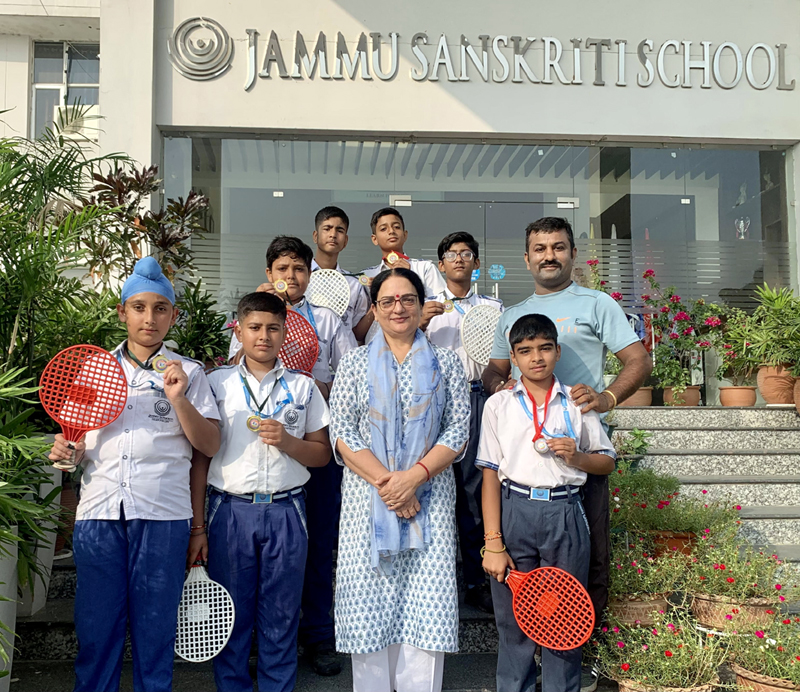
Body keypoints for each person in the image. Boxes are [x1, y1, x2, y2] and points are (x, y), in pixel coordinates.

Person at [482, 217, 652, 692]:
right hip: (521, 475)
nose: (549, 255)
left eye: (558, 247)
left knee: (583, 574)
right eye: (540, 248)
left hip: (580, 459)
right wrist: (509, 395)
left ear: (572, 253)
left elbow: (637, 360)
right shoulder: (512, 313)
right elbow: (493, 374)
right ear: (527, 257)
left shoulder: (597, 303)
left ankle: (573, 666)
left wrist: (607, 398)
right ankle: (523, 675)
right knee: (519, 601)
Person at [48, 257, 220, 692]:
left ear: (174, 315)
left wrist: (178, 399)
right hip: (99, 512)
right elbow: (77, 445)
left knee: (155, 629)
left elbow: (210, 445)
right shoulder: (92, 370)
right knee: (96, 628)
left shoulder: (192, 373)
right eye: (139, 307)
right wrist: (66, 451)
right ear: (123, 312)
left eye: (160, 308)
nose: (149, 318)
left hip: (163, 514)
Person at [328, 267, 470, 692]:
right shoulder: (353, 363)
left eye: (408, 299)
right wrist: (393, 485)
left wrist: (414, 478)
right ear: (374, 309)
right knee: (370, 607)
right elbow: (342, 432)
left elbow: (457, 429)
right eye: (387, 301)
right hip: (368, 501)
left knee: (423, 616)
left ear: (421, 304)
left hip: (430, 500)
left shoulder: (446, 363)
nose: (398, 308)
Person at [478, 313, 616, 692]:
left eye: (544, 348)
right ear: (513, 356)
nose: (535, 358)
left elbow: (605, 460)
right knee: (513, 623)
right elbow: (489, 474)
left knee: (565, 622)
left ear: (557, 351)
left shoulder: (576, 401)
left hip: (565, 512)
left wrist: (578, 458)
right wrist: (493, 542)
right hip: (515, 511)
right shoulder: (499, 405)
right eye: (525, 351)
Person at [203, 291, 332, 692]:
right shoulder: (214, 383)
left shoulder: (303, 387)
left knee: (281, 612)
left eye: (273, 328)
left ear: (285, 333)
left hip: (286, 510)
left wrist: (289, 442)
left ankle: (279, 686)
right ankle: (233, 686)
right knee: (231, 613)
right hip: (229, 510)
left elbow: (321, 455)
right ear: (238, 331)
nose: (264, 336)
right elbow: (198, 453)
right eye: (255, 328)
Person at [422, 231, 502, 614]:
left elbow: (503, 358)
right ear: (440, 265)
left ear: (475, 262)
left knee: (473, 492)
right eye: (451, 254)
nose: (459, 259)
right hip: (433, 403)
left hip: (478, 397)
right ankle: (434, 581)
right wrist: (421, 323)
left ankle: (476, 580)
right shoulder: (424, 307)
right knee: (434, 490)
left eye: (466, 253)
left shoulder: (493, 307)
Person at [311, 206, 373, 342]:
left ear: (345, 241)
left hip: (343, 359)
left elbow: (357, 333)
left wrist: (377, 304)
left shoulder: (354, 284)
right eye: (327, 229)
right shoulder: (299, 279)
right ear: (316, 236)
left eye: (339, 230)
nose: (333, 235)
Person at [360, 206, 447, 297]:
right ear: (374, 239)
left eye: (397, 227)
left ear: (405, 235)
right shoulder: (367, 276)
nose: (391, 231)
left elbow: (441, 304)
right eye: (383, 229)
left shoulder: (425, 268)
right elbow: (361, 310)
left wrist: (411, 277)